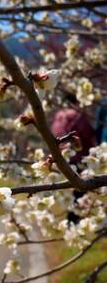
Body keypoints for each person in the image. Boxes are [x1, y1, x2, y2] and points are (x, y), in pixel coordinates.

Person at [51, 93, 97, 223]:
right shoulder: (78, 115)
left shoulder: (59, 115)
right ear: (77, 101)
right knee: (80, 190)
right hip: (80, 157)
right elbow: (87, 133)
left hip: (63, 157)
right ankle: (75, 218)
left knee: (69, 188)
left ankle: (71, 218)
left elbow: (54, 133)